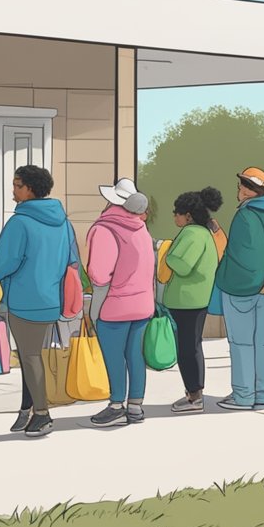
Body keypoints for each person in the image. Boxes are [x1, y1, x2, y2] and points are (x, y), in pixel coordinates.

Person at [0, 164, 78, 439]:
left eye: (17, 185)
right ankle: (27, 408)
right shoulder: (63, 222)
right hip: (51, 298)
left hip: (23, 300)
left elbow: (2, 264)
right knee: (34, 356)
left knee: (29, 357)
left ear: (29, 189)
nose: (13, 190)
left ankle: (41, 415)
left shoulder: (19, 223)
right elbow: (72, 259)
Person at [86, 179, 157, 427]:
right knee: (135, 355)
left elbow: (99, 272)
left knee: (114, 356)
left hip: (114, 305)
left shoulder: (105, 229)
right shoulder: (142, 230)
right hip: (142, 303)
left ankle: (116, 404)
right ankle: (135, 405)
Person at [213, 167, 264, 411]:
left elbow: (241, 254)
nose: (238, 190)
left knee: (242, 342)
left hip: (244, 287)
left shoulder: (244, 216)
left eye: (241, 185)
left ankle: (243, 396)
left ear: (246, 188)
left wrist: (224, 276)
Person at [163, 187, 225, 413]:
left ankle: (194, 396)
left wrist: (167, 254)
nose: (174, 216)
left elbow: (182, 264)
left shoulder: (191, 234)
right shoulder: (205, 233)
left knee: (187, 349)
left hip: (186, 300)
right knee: (193, 347)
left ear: (188, 215)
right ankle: (194, 393)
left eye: (177, 212)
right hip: (197, 298)